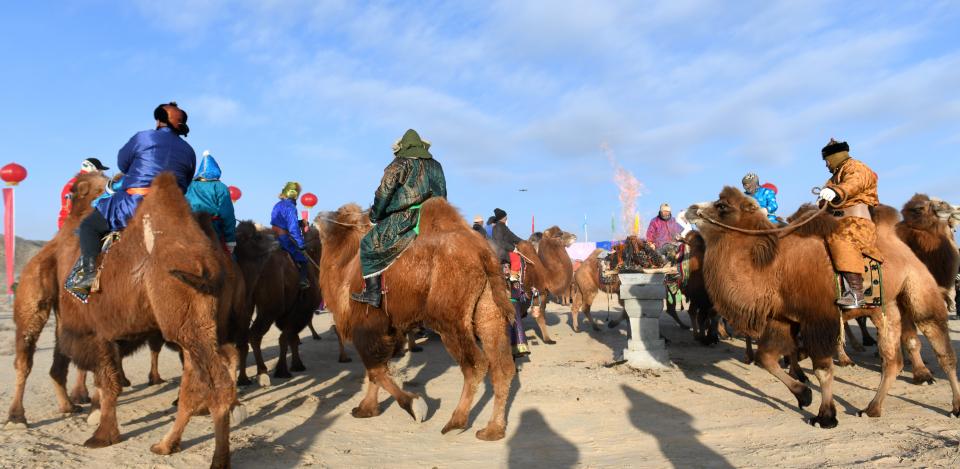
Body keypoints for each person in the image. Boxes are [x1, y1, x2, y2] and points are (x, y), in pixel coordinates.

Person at [67, 102, 195, 295]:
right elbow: (186, 182)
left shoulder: (143, 137)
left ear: (159, 120)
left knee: (89, 226)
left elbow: (123, 164)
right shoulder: (189, 151)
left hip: (133, 206)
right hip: (171, 211)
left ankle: (87, 277)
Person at [352, 129, 447, 308]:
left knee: (368, 244)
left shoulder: (399, 164)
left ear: (402, 148)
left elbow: (384, 192)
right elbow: (443, 194)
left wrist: (375, 216)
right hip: (436, 218)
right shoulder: (436, 165)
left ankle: (372, 294)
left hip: (406, 219)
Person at [818, 139, 882, 309]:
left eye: (827, 160)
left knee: (840, 239)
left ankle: (856, 293)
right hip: (836, 220)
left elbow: (854, 183)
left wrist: (836, 191)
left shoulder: (856, 167)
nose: (826, 164)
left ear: (835, 157)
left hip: (856, 223)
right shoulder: (833, 178)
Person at [185, 150, 237, 254]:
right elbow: (228, 214)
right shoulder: (221, 187)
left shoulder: (189, 184)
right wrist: (230, 240)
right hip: (213, 228)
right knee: (232, 263)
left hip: (189, 226)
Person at [272, 182, 311, 289]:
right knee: (303, 260)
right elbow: (293, 228)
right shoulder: (291, 207)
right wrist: (301, 245)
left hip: (273, 236)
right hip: (284, 239)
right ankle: (303, 281)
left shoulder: (277, 205)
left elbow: (283, 222)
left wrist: (300, 223)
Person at [58, 158, 109, 229]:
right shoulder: (85, 184)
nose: (101, 172)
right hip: (74, 226)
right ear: (92, 168)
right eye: (99, 170)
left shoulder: (73, 182)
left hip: (66, 223)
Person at [491, 208, 524, 280]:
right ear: (503, 217)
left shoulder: (502, 227)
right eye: (505, 216)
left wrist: (523, 242)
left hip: (503, 251)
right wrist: (513, 249)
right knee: (517, 258)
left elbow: (513, 237)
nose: (507, 217)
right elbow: (500, 242)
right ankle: (514, 278)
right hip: (501, 253)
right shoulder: (499, 227)